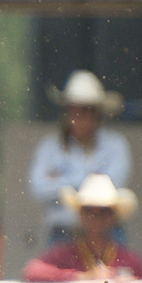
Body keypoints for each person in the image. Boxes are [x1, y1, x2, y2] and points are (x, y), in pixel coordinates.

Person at [29, 70, 132, 242]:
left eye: (85, 111)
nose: (78, 117)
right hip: (62, 233)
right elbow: (38, 188)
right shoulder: (49, 147)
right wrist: (90, 179)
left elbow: (112, 190)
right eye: (72, 110)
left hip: (106, 235)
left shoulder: (116, 145)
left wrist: (62, 182)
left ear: (96, 114)